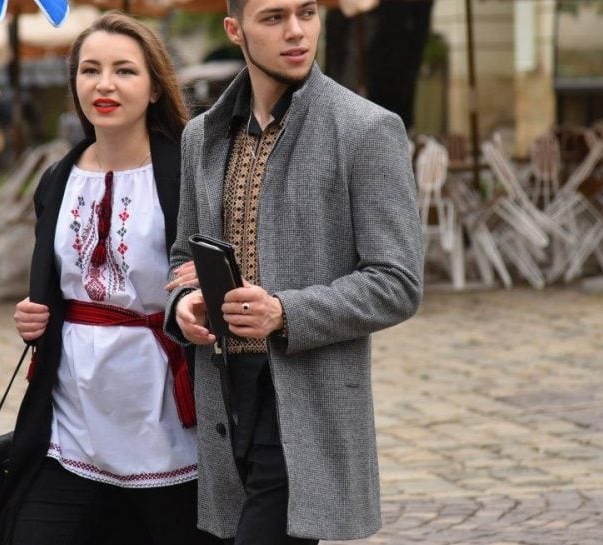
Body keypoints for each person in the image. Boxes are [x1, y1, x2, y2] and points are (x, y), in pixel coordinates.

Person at [163, 0, 424, 542]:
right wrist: (184, 305)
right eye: (274, 17)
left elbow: (398, 282)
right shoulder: (202, 136)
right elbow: (183, 256)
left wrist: (284, 311)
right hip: (221, 398)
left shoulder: (367, 129)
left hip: (304, 404)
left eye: (307, 13)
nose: (297, 31)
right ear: (235, 30)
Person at [0, 12, 219, 545]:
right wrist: (35, 314)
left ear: (156, 87)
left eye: (125, 71)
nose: (105, 85)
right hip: (72, 412)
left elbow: (218, 265)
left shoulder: (189, 172)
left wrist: (204, 292)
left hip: (164, 408)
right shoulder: (57, 179)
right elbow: (61, 285)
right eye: (90, 70)